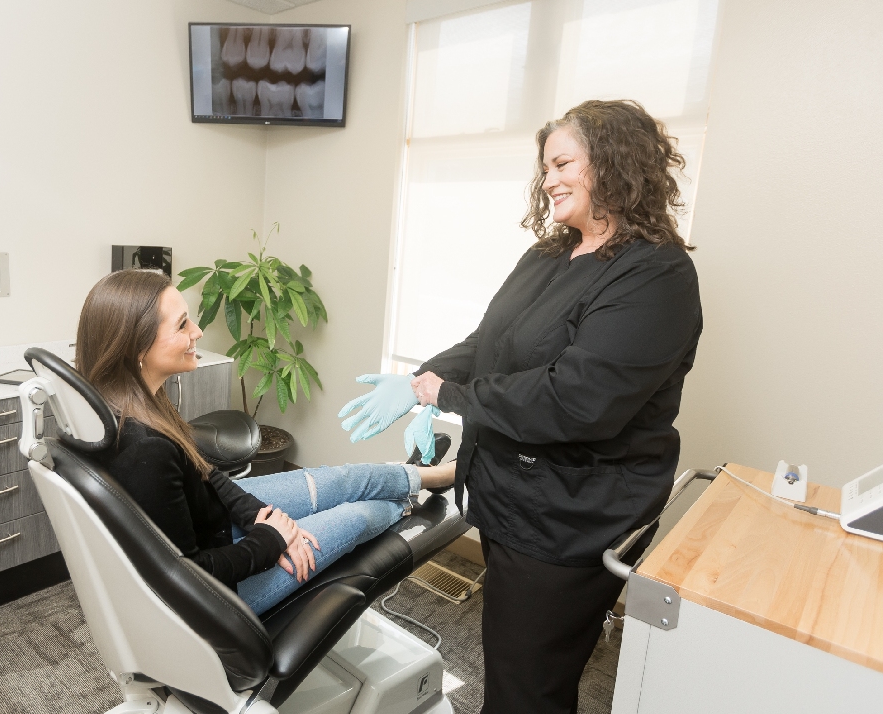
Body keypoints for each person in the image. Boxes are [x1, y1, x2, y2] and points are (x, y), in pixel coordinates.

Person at [340, 99, 702, 713]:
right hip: (512, 497)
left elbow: (577, 401)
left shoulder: (656, 278)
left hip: (569, 519)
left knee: (527, 689)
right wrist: (423, 377)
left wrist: (445, 395)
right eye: (545, 168)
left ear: (616, 163)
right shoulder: (548, 257)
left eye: (563, 163)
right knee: (512, 661)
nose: (549, 179)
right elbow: (490, 344)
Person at [75, 268, 456, 616]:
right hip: (222, 593)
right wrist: (272, 538)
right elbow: (189, 577)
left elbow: (206, 476)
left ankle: (426, 475)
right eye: (182, 325)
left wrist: (259, 516)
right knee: (360, 515)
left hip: (220, 525)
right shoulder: (144, 449)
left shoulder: (135, 401)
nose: (198, 332)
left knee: (342, 480)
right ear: (136, 348)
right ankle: (405, 499)